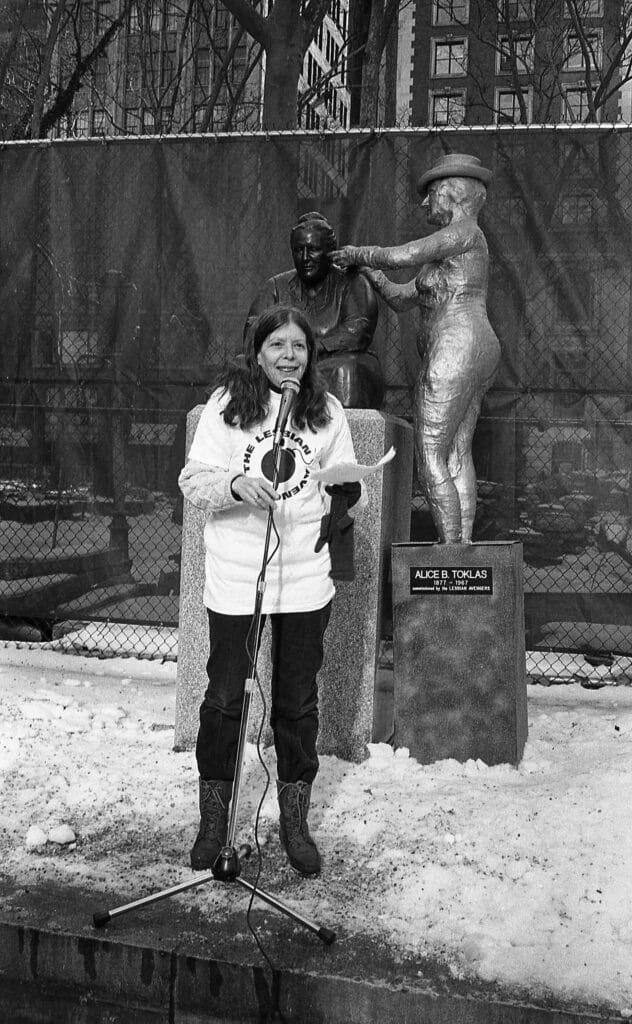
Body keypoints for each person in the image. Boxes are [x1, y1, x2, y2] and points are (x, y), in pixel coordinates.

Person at [178, 304, 362, 876]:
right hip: (237, 577)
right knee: (224, 699)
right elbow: (193, 479)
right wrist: (235, 482)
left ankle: (295, 820)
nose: (289, 356)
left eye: (299, 347)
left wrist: (346, 497)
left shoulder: (326, 411)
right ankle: (214, 822)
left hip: (305, 578)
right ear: (258, 352)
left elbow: (350, 478)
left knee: (297, 703)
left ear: (311, 357)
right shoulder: (228, 407)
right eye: (278, 345)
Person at [332, 153, 501, 544]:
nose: (424, 204)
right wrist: (371, 274)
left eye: (431, 195)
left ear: (451, 194)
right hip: (472, 347)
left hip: (458, 346)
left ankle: (448, 554)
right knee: (457, 454)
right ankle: (461, 548)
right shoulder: (448, 254)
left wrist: (359, 254)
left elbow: (403, 254)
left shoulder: (464, 233)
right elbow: (402, 297)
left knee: (429, 457)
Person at [244, 211, 384, 409]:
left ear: (330, 251)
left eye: (313, 250)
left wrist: (309, 349)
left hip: (332, 361)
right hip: (283, 362)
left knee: (347, 370)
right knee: (239, 367)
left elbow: (357, 332)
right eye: (298, 250)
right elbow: (252, 334)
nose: (305, 258)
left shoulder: (353, 283)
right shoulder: (275, 286)